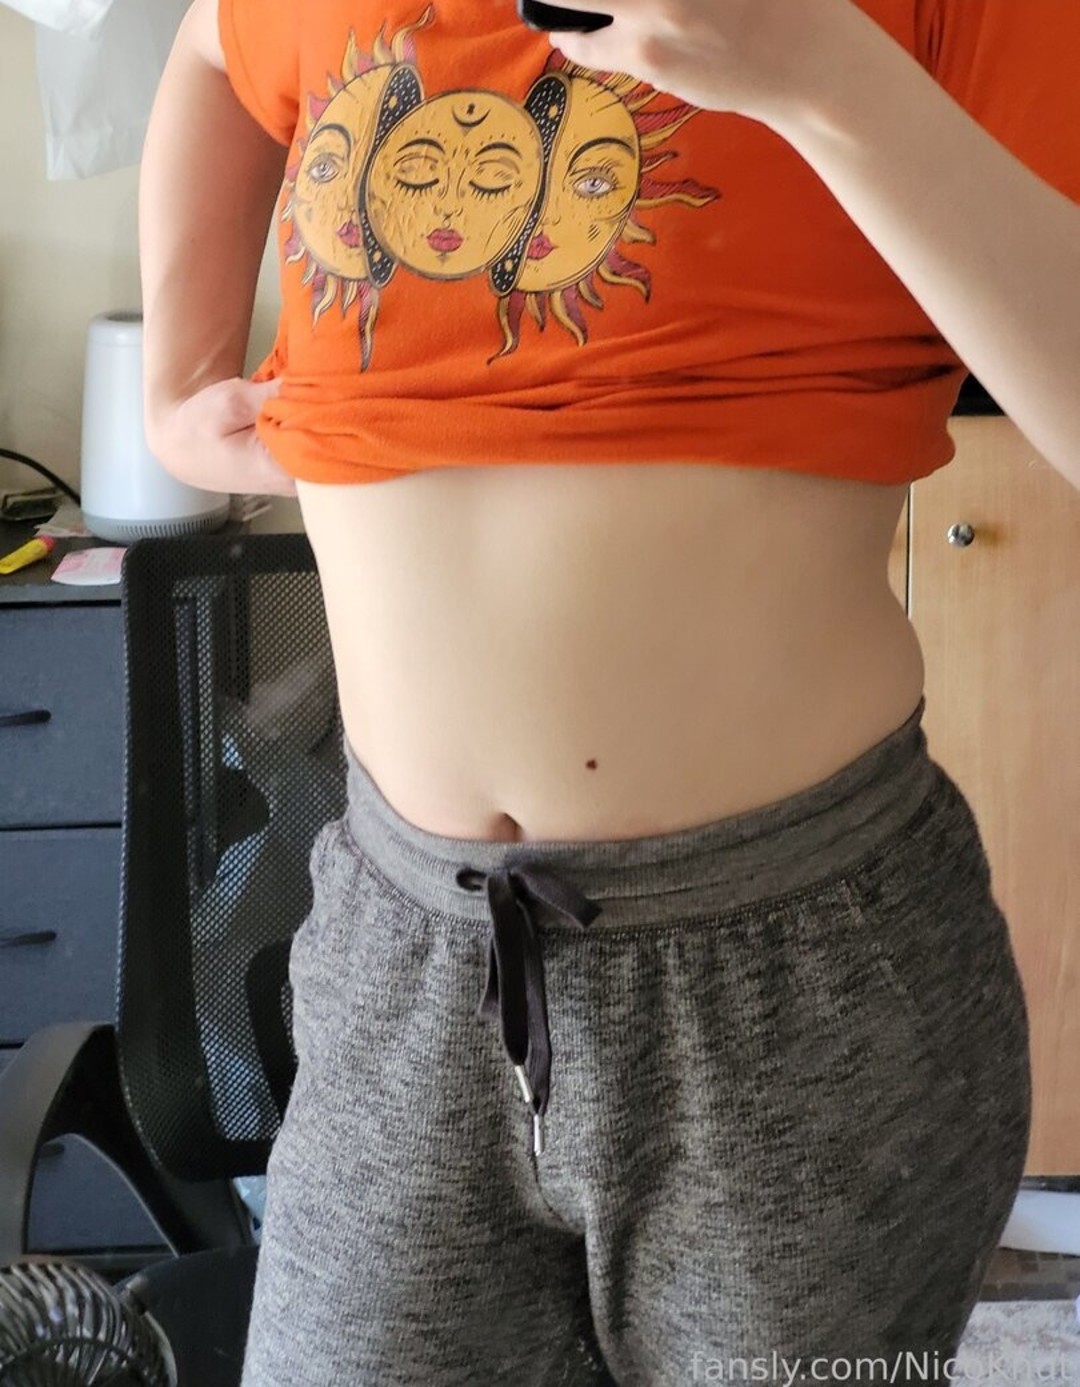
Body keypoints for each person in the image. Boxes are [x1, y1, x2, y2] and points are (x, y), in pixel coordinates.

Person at [138, 0, 1080, 1381]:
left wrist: (820, 71)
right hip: (404, 946)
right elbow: (214, 51)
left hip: (797, 971)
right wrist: (178, 381)